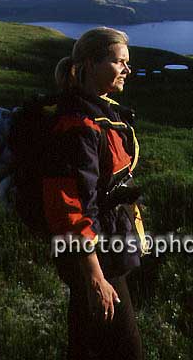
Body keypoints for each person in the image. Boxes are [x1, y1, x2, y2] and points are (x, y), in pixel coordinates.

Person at [44, 27, 144, 360]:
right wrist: (96, 278)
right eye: (119, 62)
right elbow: (70, 207)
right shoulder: (77, 126)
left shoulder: (99, 112)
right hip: (98, 262)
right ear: (90, 64)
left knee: (85, 345)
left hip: (106, 253)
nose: (128, 70)